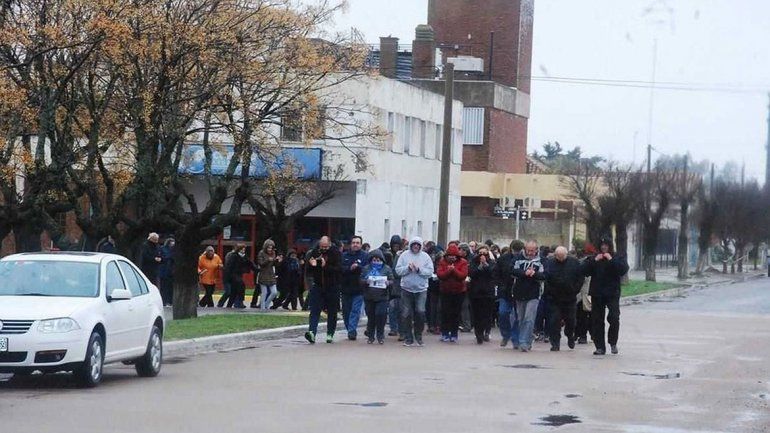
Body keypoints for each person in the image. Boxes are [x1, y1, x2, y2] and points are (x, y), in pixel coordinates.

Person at [583, 236, 629, 355]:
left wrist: (611, 260)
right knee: (597, 320)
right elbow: (583, 270)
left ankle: (613, 342)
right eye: (602, 245)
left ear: (610, 246)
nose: (604, 247)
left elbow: (623, 270)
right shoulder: (594, 258)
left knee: (614, 317)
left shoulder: (617, 257)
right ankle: (600, 347)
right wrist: (594, 261)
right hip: (597, 293)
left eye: (606, 245)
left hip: (612, 293)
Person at [395, 237, 434, 347]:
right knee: (406, 313)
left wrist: (418, 270)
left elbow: (430, 272)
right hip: (406, 289)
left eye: (418, 245)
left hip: (421, 289)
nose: (416, 246)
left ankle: (418, 335)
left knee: (420, 311)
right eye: (414, 244)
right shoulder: (404, 255)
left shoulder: (425, 257)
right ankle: (408, 337)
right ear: (411, 245)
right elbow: (398, 270)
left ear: (421, 246)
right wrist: (408, 268)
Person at [543, 246, 584, 351]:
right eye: (558, 256)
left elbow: (580, 278)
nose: (560, 259)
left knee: (571, 320)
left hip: (569, 298)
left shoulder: (574, 263)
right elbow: (546, 278)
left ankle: (570, 335)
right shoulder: (550, 263)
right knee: (554, 321)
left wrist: (575, 289)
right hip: (554, 298)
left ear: (566, 255)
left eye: (562, 256)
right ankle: (555, 343)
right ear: (555, 255)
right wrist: (550, 291)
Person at [304, 236, 342, 344]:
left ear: (330, 245)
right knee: (314, 310)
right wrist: (313, 265)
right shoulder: (314, 252)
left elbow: (339, 269)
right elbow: (309, 270)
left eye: (326, 247)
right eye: (322, 246)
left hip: (332, 286)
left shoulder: (336, 253)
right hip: (318, 285)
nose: (324, 248)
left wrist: (326, 266)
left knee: (332, 311)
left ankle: (330, 333)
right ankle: (312, 332)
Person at [512, 240, 545, 352]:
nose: (530, 253)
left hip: (534, 294)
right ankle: (528, 339)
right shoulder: (518, 258)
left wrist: (534, 274)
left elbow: (545, 275)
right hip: (519, 292)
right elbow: (512, 271)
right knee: (521, 318)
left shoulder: (542, 260)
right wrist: (524, 273)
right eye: (528, 250)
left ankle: (524, 342)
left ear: (536, 250)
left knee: (529, 319)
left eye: (532, 250)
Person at [360, 249, 394, 344]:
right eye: (374, 260)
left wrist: (388, 283)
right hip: (369, 296)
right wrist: (365, 281)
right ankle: (371, 336)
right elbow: (361, 280)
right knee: (371, 317)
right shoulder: (366, 268)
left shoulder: (386, 269)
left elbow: (392, 280)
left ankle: (380, 334)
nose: (376, 262)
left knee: (381, 315)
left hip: (382, 297)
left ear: (382, 260)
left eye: (378, 260)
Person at [436, 244, 469, 342]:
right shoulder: (442, 262)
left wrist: (453, 270)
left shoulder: (463, 262)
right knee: (445, 312)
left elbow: (462, 275)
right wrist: (448, 271)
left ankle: (454, 334)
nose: (452, 257)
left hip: (459, 292)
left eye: (454, 256)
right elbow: (440, 275)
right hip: (445, 291)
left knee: (456, 313)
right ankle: (445, 333)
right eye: (450, 255)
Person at [495, 239, 523, 348]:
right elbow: (496, 273)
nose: (516, 253)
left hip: (519, 292)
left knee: (517, 316)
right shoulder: (503, 259)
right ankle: (505, 334)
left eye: (519, 251)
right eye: (515, 250)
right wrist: (500, 284)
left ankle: (515, 339)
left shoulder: (523, 259)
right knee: (503, 313)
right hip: (505, 291)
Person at [341, 236, 368, 340]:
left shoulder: (365, 256)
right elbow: (340, 269)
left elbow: (367, 269)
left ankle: (352, 331)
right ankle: (350, 329)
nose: (355, 244)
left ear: (361, 244)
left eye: (357, 243)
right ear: (350, 244)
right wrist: (349, 268)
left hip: (359, 289)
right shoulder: (344, 256)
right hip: (346, 288)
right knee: (346, 311)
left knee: (355, 310)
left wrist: (358, 267)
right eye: (353, 242)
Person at [469, 245, 496, 344]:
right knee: (477, 314)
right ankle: (478, 334)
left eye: (485, 253)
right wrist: (480, 266)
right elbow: (472, 273)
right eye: (480, 253)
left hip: (488, 292)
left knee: (487, 314)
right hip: (476, 292)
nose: (482, 256)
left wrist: (486, 265)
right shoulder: (473, 262)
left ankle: (487, 332)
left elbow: (493, 274)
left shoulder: (492, 263)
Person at [384, 235, 403, 339]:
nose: (396, 247)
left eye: (397, 245)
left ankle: (400, 329)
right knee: (392, 308)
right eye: (394, 245)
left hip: (400, 284)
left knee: (400, 308)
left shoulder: (402, 255)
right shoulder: (388, 254)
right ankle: (393, 328)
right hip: (390, 283)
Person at [254, 239, 281, 310]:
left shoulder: (273, 253)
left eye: (271, 248)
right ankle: (262, 308)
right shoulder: (261, 253)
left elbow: (274, 264)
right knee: (264, 292)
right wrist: (268, 260)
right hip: (263, 274)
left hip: (271, 274)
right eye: (269, 247)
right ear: (265, 247)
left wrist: (277, 261)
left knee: (274, 292)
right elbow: (261, 263)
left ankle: (266, 304)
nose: (270, 249)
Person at [158, 238, 175, 306]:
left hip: (171, 271)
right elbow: (162, 258)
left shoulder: (174, 250)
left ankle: (170, 301)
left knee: (171, 287)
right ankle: (164, 301)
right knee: (164, 287)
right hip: (164, 270)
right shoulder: (163, 249)